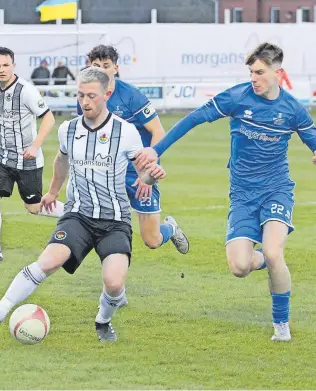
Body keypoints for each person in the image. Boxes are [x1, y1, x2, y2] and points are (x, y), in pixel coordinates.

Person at [135, 42, 316, 342]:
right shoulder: (236, 97)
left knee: (274, 251)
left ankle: (281, 327)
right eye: (251, 72)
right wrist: (156, 150)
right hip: (242, 195)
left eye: (260, 72)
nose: (254, 77)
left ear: (278, 73)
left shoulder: (294, 110)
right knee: (240, 267)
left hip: (277, 191)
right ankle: (267, 262)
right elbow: (193, 119)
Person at [0, 67, 166, 341]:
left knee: (114, 283)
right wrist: (51, 191)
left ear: (107, 94)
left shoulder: (127, 132)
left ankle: (103, 319)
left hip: (114, 221)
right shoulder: (68, 129)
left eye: (92, 96)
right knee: (47, 261)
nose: (85, 102)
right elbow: (61, 160)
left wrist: (150, 176)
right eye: (81, 95)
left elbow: (142, 170)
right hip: (78, 216)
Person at [78, 45, 189, 254]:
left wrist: (147, 172)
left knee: (152, 240)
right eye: (95, 66)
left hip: (137, 173)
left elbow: (158, 131)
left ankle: (171, 228)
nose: (101, 70)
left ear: (115, 68)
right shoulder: (86, 97)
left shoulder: (131, 95)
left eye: (106, 65)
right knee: (101, 229)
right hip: (107, 172)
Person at [0, 47, 64, 263]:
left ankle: (76, 213)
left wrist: (35, 146)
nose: (2, 70)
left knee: (33, 206)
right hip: (3, 158)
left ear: (13, 66)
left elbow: (48, 118)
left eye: (6, 65)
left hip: (27, 159)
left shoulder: (26, 90)